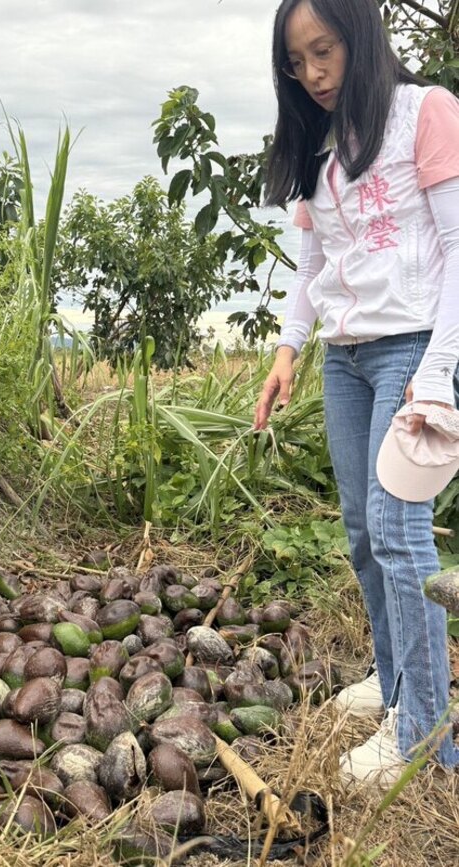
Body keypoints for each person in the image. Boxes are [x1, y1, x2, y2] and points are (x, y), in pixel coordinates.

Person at [254, 0, 459, 786]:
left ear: (361, 35)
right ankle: (394, 676)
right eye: (296, 62)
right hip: (345, 358)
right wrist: (286, 352)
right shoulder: (321, 145)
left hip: (412, 346)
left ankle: (424, 733)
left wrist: (437, 373)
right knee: (361, 530)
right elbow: (312, 267)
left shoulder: (424, 114)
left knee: (398, 528)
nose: (312, 73)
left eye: (324, 51)